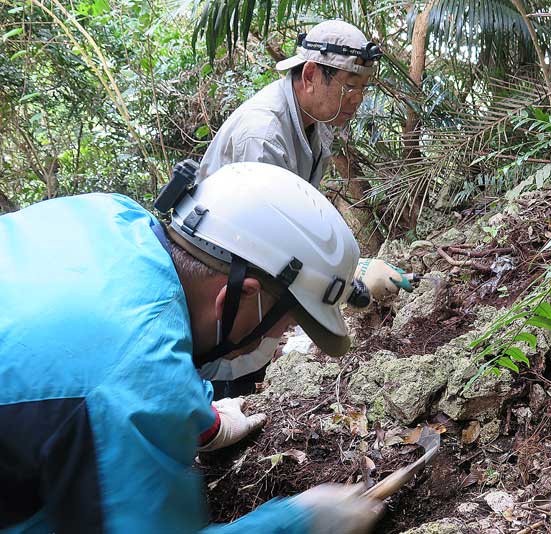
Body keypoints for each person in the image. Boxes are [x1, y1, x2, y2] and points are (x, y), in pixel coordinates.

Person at [0, 162, 379, 533]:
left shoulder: (110, 214)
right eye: (284, 327)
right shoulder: (133, 375)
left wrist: (202, 419)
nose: (275, 341)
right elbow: (125, 376)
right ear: (241, 296)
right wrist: (299, 522)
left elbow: (80, 362)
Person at [197, 20, 411, 398]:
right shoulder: (263, 135)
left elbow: (301, 209)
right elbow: (261, 239)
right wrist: (347, 275)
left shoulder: (318, 121)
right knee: (224, 377)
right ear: (310, 74)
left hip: (256, 281)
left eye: (363, 89)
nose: (357, 100)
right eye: (349, 86)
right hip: (223, 281)